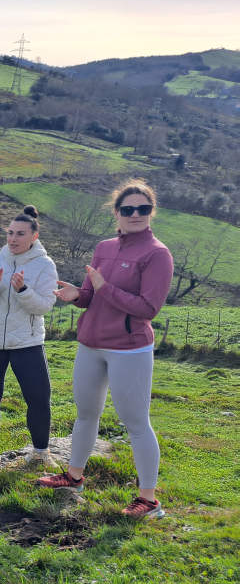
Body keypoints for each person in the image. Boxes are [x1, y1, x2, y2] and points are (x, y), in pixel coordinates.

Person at [38, 179, 174, 518]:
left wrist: (104, 287)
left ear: (151, 212)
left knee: (136, 422)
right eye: (128, 209)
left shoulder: (157, 254)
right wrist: (77, 294)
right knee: (85, 415)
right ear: (117, 213)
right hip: (90, 344)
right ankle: (74, 478)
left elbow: (147, 309)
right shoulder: (104, 247)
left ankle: (149, 500)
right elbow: (89, 296)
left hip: (129, 349)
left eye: (143, 209)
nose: (136, 214)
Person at [0, 205, 59, 465]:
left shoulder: (45, 265)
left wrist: (23, 291)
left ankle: (41, 453)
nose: (13, 239)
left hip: (27, 342)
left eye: (20, 234)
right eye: (10, 233)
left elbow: (44, 306)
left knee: (38, 398)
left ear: (34, 237)